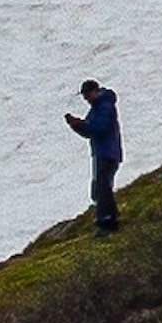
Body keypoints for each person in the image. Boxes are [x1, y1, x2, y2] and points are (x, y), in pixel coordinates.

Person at [65, 79, 124, 235]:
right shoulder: (97, 108)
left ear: (95, 91)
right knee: (100, 187)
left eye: (87, 95)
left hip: (108, 152)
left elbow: (99, 129)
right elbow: (89, 131)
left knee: (102, 187)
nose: (86, 99)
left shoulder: (104, 106)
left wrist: (80, 124)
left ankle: (107, 221)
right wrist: (76, 126)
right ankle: (110, 217)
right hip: (102, 153)